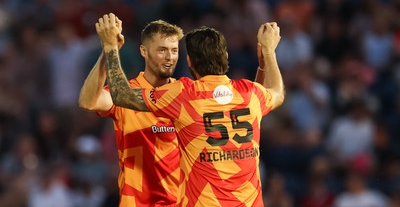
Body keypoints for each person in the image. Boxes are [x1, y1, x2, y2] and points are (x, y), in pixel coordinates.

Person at [97, 13, 284, 206]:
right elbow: (277, 92)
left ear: (189, 62)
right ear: (226, 56)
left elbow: (120, 95)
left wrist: (110, 46)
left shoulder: (184, 95)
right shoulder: (250, 94)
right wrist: (268, 53)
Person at [78, 14, 184, 207]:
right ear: (143, 51)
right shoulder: (126, 92)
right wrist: (107, 51)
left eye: (174, 50)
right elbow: (88, 101)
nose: (170, 57)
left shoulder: (187, 94)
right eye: (162, 50)